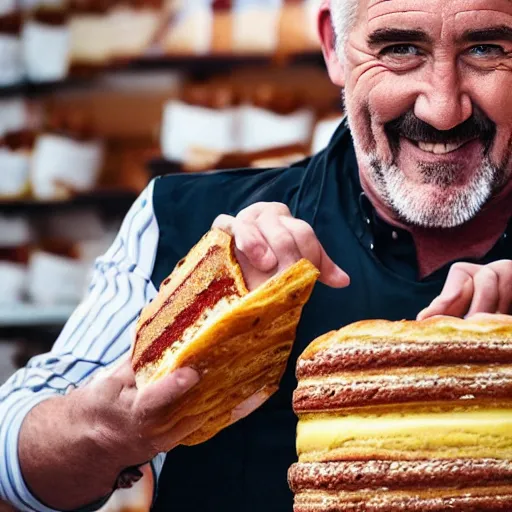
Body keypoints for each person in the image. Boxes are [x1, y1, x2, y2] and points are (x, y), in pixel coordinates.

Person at [2, 0, 512, 510]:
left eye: (486, 49)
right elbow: (14, 459)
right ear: (334, 47)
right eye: (399, 49)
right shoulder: (186, 219)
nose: (443, 108)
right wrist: (113, 428)